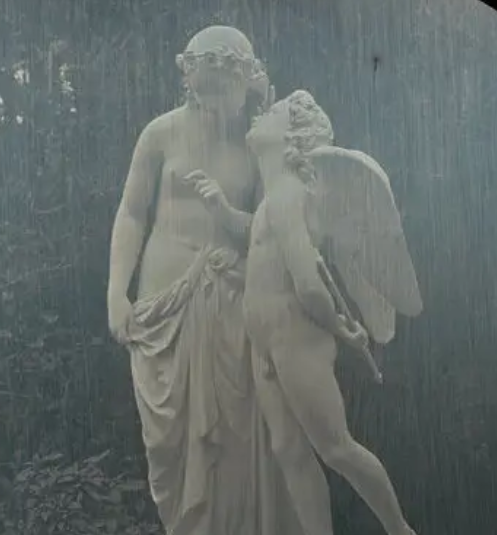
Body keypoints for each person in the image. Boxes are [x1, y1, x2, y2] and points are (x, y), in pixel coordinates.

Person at [107, 26, 299, 535]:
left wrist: (225, 211)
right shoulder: (160, 133)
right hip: (162, 311)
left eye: (225, 91)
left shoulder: (258, 146)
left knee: (237, 441)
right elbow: (132, 213)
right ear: (188, 78)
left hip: (233, 301)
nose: (215, 104)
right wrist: (115, 292)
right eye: (207, 90)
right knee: (169, 448)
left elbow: (270, 231)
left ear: (246, 83)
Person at [242, 89, 418, 535]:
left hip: (295, 334)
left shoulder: (289, 193)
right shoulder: (274, 195)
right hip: (265, 340)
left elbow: (307, 283)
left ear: (292, 136)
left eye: (274, 111)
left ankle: (400, 530)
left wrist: (339, 327)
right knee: (288, 449)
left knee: (336, 448)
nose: (261, 114)